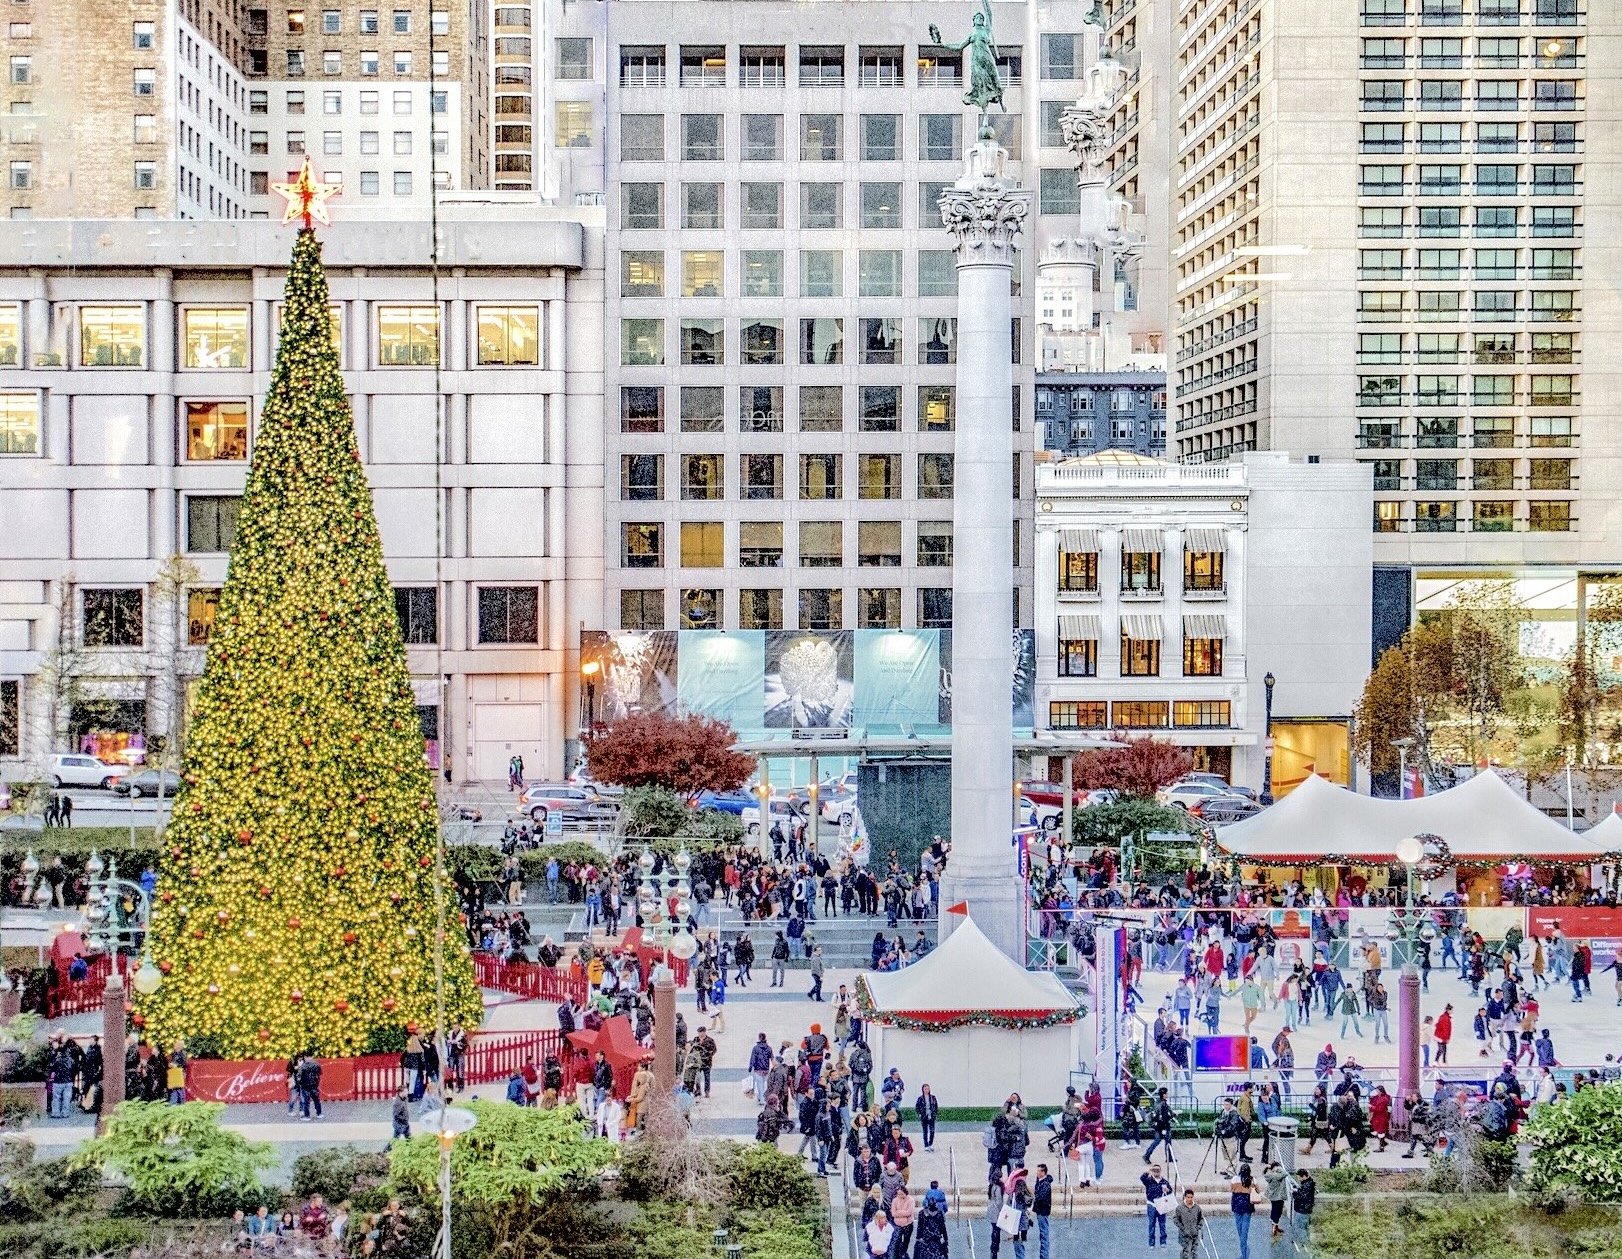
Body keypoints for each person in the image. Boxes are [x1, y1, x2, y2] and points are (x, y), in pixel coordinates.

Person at [1230, 1163, 1260, 1259]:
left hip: (1237, 1204)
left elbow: (1232, 1189)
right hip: (1248, 1204)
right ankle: (1244, 1250)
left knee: (1239, 1225)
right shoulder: (1253, 1180)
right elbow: (1258, 1191)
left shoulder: (1234, 1179)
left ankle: (1244, 1250)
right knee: (1245, 1227)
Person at [1141, 1164, 1173, 1249]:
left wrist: (1167, 1190)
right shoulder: (1149, 1180)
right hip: (1152, 1204)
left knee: (1162, 1224)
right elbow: (1142, 1178)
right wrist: (1148, 1170)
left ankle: (1163, 1241)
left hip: (1161, 1204)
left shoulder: (1164, 1182)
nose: (1156, 1172)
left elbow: (1170, 1191)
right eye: (1154, 1170)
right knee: (1151, 1224)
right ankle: (1151, 1243)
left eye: (1158, 1170)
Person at [1142, 1087, 1175, 1166]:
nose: (1168, 1094)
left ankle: (1148, 1155)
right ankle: (1148, 1155)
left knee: (1160, 1140)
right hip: (1163, 1126)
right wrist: (1173, 1115)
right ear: (1164, 1095)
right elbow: (1165, 1117)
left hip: (1157, 1125)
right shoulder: (1163, 1104)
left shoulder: (1158, 1102)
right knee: (1163, 1140)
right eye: (1167, 1093)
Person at [913, 1190, 949, 1259]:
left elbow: (920, 1227)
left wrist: (918, 1238)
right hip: (936, 1238)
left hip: (926, 1238)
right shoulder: (939, 1213)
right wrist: (945, 1238)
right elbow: (943, 1227)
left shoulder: (922, 1213)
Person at [1173, 1190, 1205, 1259]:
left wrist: (1198, 1228)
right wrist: (1182, 1228)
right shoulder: (1180, 1208)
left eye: (1191, 1197)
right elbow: (1175, 1219)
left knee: (1194, 1252)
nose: (1190, 1199)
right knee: (1185, 1251)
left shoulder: (1197, 1208)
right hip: (1184, 1234)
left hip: (1194, 1234)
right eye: (1188, 1197)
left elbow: (1201, 1219)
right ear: (1185, 1197)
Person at [889, 1183, 916, 1259]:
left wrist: (899, 1212)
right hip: (897, 1225)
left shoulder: (910, 1200)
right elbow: (893, 1213)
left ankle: (903, 1253)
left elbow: (909, 1213)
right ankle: (899, 1255)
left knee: (906, 1240)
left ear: (905, 1193)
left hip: (908, 1224)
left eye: (902, 1194)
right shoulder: (895, 1200)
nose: (900, 1196)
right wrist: (902, 1212)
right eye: (898, 1194)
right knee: (898, 1241)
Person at [1031, 1164, 1052, 1259]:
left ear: (1043, 1172)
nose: (1037, 1173)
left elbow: (1040, 1196)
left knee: (1044, 1233)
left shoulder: (1045, 1184)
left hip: (1042, 1211)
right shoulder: (1040, 1181)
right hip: (1040, 1210)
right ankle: (1043, 1255)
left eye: (1039, 1171)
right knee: (1043, 1233)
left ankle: (1044, 1256)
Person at [1290, 1169, 1316, 1247]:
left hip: (1302, 1209)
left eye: (1299, 1177)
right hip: (1306, 1209)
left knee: (1300, 1226)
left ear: (1304, 1176)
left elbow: (1301, 1197)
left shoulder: (1306, 1186)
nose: (1298, 1179)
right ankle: (1306, 1241)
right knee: (1305, 1227)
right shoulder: (1309, 1184)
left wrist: (1294, 1193)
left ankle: (1303, 1242)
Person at [1263, 1161, 1288, 1239]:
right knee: (1277, 1211)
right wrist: (1279, 1168)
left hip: (1275, 1196)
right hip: (1277, 1196)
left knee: (1276, 1210)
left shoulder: (1269, 1174)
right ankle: (1274, 1228)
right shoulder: (1274, 1175)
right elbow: (1285, 1173)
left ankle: (1275, 1226)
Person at [915, 1083, 940, 1151]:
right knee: (925, 1131)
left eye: (928, 1089)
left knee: (932, 1131)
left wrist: (935, 1114)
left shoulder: (933, 1098)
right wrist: (919, 1114)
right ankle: (926, 1145)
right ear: (923, 1090)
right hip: (924, 1117)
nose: (927, 1090)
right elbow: (917, 1107)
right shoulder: (920, 1098)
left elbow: (936, 1106)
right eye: (925, 1089)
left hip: (931, 1116)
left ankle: (930, 1144)